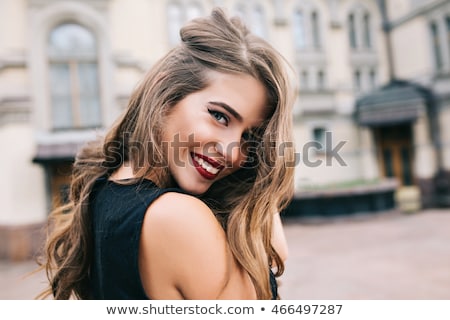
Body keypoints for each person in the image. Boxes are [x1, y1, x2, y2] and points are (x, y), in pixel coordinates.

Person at [37, 7, 295, 300]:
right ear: (165, 91)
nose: (232, 152)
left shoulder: (103, 191)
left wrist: (256, 185)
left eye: (250, 136)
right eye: (220, 116)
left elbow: (277, 258)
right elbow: (274, 265)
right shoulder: (178, 217)